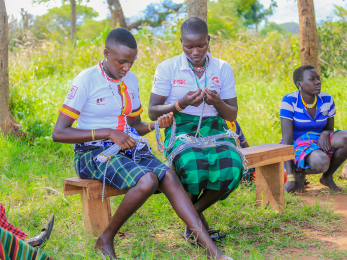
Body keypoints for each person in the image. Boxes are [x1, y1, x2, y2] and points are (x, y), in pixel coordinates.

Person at [52, 28, 233, 260]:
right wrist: (108, 133)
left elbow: (135, 125)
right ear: (106, 54)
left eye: (131, 62)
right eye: (121, 62)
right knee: (147, 180)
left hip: (127, 147)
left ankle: (213, 252)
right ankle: (106, 238)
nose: (126, 68)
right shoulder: (86, 80)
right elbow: (59, 132)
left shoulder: (130, 80)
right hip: (91, 154)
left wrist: (157, 124)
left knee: (168, 175)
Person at [148, 17, 244, 241]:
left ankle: (193, 218)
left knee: (233, 165)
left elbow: (231, 114)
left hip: (214, 128)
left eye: (201, 45)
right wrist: (181, 103)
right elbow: (153, 111)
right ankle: (196, 226)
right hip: (179, 127)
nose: (195, 51)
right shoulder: (168, 68)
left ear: (208, 40)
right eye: (188, 46)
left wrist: (217, 102)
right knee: (193, 165)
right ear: (180, 42)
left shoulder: (222, 67)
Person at [280, 65, 347, 192]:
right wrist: (290, 178)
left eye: (318, 78)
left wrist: (325, 134)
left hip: (319, 140)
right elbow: (286, 141)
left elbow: (329, 128)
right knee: (322, 162)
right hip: (298, 144)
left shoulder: (326, 99)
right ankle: (298, 173)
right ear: (300, 84)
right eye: (312, 79)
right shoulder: (289, 101)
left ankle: (327, 177)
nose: (318, 81)